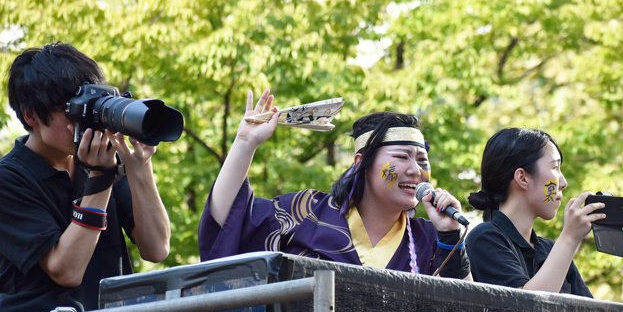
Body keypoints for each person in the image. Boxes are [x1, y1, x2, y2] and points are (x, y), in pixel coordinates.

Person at [0, 43, 171, 312]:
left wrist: (139, 167)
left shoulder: (101, 162)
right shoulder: (5, 180)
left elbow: (156, 248)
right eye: (70, 111)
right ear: (30, 115)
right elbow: (65, 270)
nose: (84, 121)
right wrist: (100, 176)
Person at [199, 89, 472, 279]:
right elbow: (227, 222)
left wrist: (449, 235)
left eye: (423, 161)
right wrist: (245, 144)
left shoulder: (428, 238)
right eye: (402, 157)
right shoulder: (304, 211)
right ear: (360, 163)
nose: (416, 170)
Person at [466, 128, 604, 296]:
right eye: (555, 168)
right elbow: (526, 311)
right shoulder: (484, 238)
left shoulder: (550, 249)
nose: (563, 182)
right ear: (522, 178)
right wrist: (569, 237)